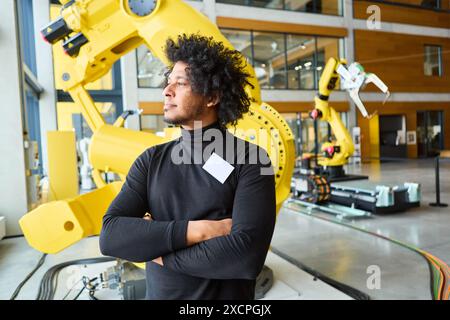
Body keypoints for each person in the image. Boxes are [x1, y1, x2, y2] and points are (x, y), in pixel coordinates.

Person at [99, 34, 276, 300]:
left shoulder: (251, 160)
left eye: (180, 83)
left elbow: (245, 257)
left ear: (212, 97)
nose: (166, 91)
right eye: (168, 82)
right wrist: (200, 230)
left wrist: (156, 250)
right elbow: (111, 237)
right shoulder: (151, 161)